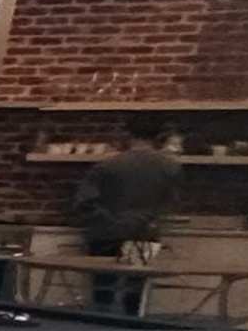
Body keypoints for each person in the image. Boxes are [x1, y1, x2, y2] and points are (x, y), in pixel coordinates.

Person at [71, 117, 179, 311]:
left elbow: (84, 202)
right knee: (135, 290)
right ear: (159, 137)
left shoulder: (107, 165)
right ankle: (131, 327)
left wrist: (108, 220)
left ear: (128, 135)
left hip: (107, 231)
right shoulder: (170, 168)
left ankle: (100, 325)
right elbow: (169, 202)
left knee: (103, 288)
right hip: (145, 232)